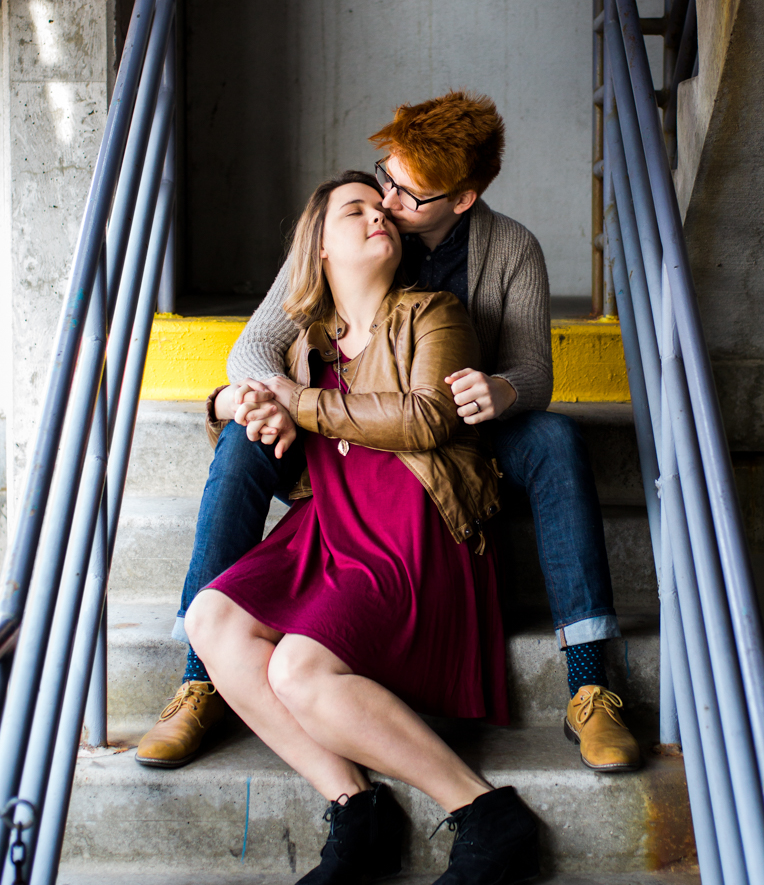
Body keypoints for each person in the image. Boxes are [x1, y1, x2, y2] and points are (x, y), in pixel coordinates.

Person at [136, 90, 640, 776]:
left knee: (555, 440)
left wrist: (504, 389)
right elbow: (255, 347)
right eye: (386, 174)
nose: (388, 199)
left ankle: (589, 683)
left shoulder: (510, 248)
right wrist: (264, 400)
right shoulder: (354, 223)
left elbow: (534, 370)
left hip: (457, 437)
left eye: (408, 194)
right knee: (241, 441)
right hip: (340, 440)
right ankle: (201, 677)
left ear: (460, 200)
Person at [183, 172, 539, 885]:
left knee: (297, 671)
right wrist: (245, 405)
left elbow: (428, 418)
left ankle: (485, 812)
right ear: (318, 247)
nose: (378, 215)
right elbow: (248, 395)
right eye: (356, 210)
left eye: (382, 210)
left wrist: (303, 406)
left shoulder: (434, 312)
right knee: (210, 620)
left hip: (418, 526)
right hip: (333, 529)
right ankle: (357, 808)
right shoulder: (307, 346)